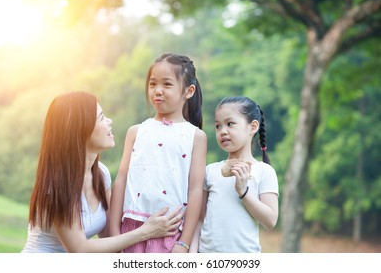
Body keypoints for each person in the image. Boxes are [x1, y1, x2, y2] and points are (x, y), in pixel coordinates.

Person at [22, 91, 183, 253]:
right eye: (101, 118)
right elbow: (79, 249)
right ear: (79, 130)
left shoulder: (100, 174)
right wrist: (145, 232)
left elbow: (108, 237)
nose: (109, 122)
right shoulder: (57, 186)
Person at [109, 53, 207, 253]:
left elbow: (196, 190)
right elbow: (121, 180)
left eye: (167, 84)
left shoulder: (195, 136)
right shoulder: (136, 132)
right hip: (131, 230)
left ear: (188, 91)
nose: (157, 91)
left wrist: (184, 243)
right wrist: (114, 235)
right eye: (153, 84)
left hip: (170, 233)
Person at [190, 96, 279, 253]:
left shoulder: (264, 171)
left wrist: (243, 192)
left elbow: (270, 220)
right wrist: (192, 253)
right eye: (218, 126)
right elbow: (200, 218)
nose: (223, 131)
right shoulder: (210, 171)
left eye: (230, 124)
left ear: (253, 127)